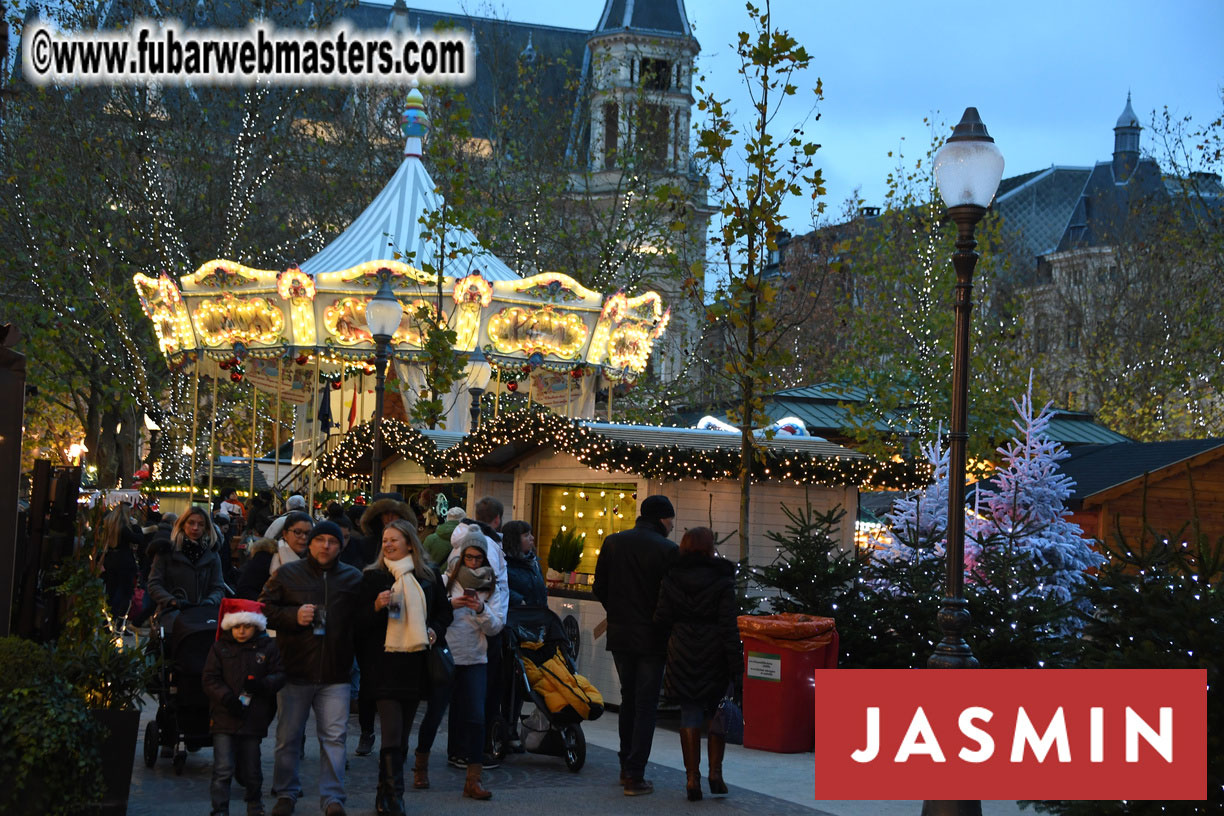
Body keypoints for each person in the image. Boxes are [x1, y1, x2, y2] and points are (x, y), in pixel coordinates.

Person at [260, 521, 363, 816]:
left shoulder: (352, 578)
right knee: (288, 738)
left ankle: (332, 799)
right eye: (320, 540)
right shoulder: (287, 573)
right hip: (294, 670)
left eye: (332, 541)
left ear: (340, 546)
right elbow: (262, 609)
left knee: (334, 738)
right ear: (311, 544)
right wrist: (293, 616)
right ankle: (286, 793)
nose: (326, 546)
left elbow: (363, 620)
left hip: (336, 672)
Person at [356, 519, 451, 815]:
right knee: (392, 733)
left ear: (410, 543)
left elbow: (443, 614)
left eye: (394, 539)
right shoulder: (373, 577)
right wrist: (374, 607)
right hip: (383, 666)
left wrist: (434, 630)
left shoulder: (429, 576)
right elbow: (356, 624)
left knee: (403, 735)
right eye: (385, 540)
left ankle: (383, 793)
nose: (388, 544)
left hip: (415, 665)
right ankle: (396, 798)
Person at [593, 494, 679, 796]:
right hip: (653, 638)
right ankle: (635, 773)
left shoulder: (613, 542)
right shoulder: (669, 550)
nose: (672, 524)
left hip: (620, 634)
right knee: (645, 705)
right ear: (661, 518)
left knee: (628, 700)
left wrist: (617, 612)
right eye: (670, 518)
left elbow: (599, 587)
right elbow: (673, 596)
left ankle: (624, 765)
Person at [653, 527, 743, 801]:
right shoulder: (722, 579)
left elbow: (661, 619)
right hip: (715, 651)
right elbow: (729, 626)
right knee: (717, 711)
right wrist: (736, 665)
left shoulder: (672, 577)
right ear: (709, 547)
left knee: (689, 712)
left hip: (682, 649)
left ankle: (692, 778)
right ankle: (715, 773)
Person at [202, 598, 286, 816]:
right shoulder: (220, 648)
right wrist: (227, 698)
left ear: (256, 626)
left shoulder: (267, 647)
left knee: (252, 767)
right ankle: (219, 809)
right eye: (237, 626)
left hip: (253, 717)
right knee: (223, 768)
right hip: (224, 715)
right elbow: (210, 678)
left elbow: (279, 674)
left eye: (247, 626)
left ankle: (254, 804)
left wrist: (262, 685)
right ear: (231, 626)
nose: (241, 631)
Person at [354, 492, 418, 756]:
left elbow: (439, 609)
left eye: (394, 516)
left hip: (406, 639)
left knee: (399, 700)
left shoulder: (421, 570)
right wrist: (376, 605)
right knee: (369, 687)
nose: (389, 520)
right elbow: (358, 602)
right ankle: (367, 731)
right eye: (385, 515)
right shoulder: (366, 548)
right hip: (374, 637)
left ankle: (396, 750)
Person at [443, 529, 503, 800]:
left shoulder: (492, 585)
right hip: (446, 653)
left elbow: (496, 626)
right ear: (462, 556)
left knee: (477, 718)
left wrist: (480, 609)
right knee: (434, 714)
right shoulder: (447, 578)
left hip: (476, 657)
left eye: (479, 558)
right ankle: (420, 767)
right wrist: (453, 604)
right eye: (469, 557)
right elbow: (432, 611)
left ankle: (473, 780)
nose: (474, 563)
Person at [457, 497, 509, 768]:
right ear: (498, 519)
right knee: (479, 698)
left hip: (475, 632)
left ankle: (465, 751)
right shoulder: (487, 544)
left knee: (468, 698)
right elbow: (495, 586)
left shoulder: (465, 538)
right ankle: (472, 752)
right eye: (471, 559)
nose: (474, 562)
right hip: (478, 635)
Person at [147, 506, 226, 632]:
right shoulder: (166, 550)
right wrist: (172, 601)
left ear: (206, 528)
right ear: (183, 524)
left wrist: (210, 601)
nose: (195, 528)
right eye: (191, 523)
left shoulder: (211, 554)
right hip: (171, 618)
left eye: (200, 524)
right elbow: (154, 584)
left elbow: (218, 586)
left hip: (201, 618)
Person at [100, 503, 144, 621]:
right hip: (124, 562)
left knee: (111, 591)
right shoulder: (124, 528)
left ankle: (108, 619)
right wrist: (136, 526)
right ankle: (118, 620)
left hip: (110, 560)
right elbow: (138, 539)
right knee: (124, 593)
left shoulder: (109, 527)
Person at [501, 520, 546, 608]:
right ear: (514, 540)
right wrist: (519, 600)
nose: (532, 538)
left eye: (530, 534)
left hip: (539, 617)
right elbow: (499, 589)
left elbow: (542, 594)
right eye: (526, 535)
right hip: (518, 618)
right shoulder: (503, 565)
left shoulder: (534, 563)